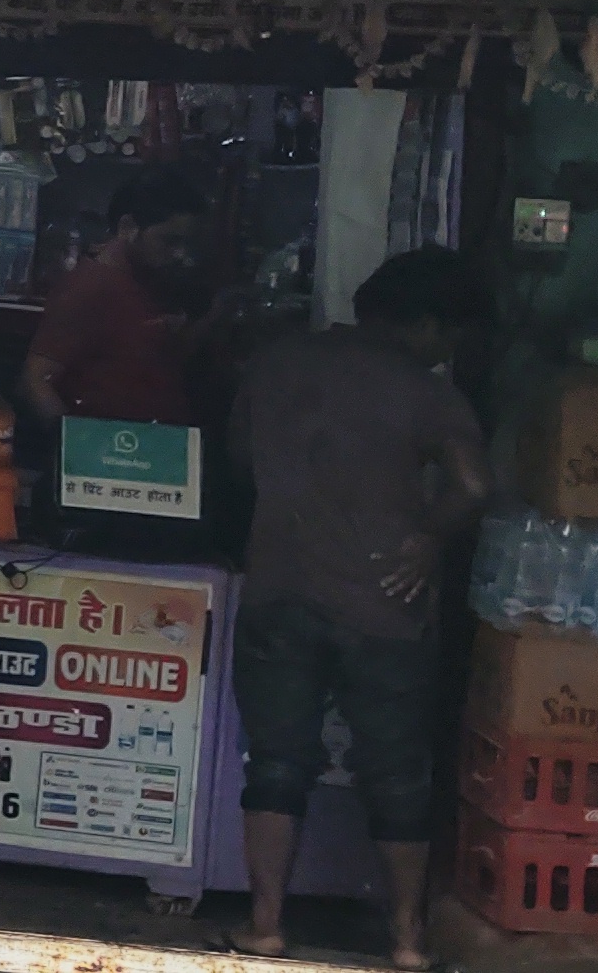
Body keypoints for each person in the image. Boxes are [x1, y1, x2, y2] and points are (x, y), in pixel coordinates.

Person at [225, 248, 490, 969]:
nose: (448, 352)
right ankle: (407, 940)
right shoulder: (427, 392)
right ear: (427, 324)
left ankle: (266, 926)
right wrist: (427, 538)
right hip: (383, 601)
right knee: (398, 772)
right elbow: (472, 485)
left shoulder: (279, 361)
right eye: (450, 335)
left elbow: (241, 457)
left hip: (279, 589)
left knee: (276, 762)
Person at [18, 168, 215, 426]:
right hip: (112, 446)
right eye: (169, 241)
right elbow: (36, 380)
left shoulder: (148, 281)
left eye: (186, 244)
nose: (181, 255)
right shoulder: (91, 287)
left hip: (155, 442)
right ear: (128, 227)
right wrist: (75, 442)